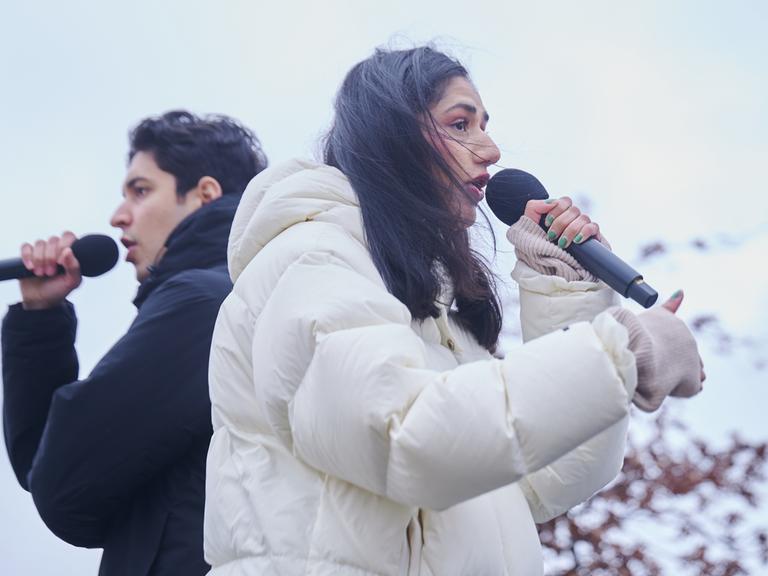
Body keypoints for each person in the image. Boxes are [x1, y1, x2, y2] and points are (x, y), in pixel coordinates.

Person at [203, 47, 703, 576]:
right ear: (389, 137)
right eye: (460, 123)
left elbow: (544, 481)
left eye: (484, 125)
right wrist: (624, 348)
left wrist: (566, 290)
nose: (490, 149)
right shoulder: (312, 258)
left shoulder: (428, 308)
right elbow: (413, 440)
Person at [2, 110, 267, 576]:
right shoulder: (248, 293)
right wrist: (40, 317)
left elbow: (60, 482)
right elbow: (43, 468)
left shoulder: (204, 301)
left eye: (140, 191)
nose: (118, 216)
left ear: (205, 195)